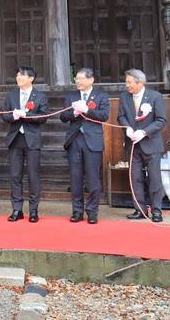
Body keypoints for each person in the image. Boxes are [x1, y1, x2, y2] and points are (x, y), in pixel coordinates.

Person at [59, 67, 110, 224]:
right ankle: (77, 211)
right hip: (75, 139)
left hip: (92, 140)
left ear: (91, 80)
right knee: (75, 178)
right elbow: (63, 117)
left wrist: (87, 109)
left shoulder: (101, 96)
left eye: (81, 79)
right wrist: (74, 113)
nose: (78, 81)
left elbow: (104, 116)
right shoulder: (71, 96)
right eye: (77, 79)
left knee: (93, 178)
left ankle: (92, 211)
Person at [117, 68, 167, 223]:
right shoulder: (124, 97)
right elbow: (121, 117)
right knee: (135, 178)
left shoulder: (155, 96)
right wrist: (127, 128)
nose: (127, 85)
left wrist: (144, 132)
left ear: (140, 83)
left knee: (154, 178)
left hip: (151, 144)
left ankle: (157, 210)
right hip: (133, 144)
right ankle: (140, 209)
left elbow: (161, 120)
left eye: (129, 82)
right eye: (126, 82)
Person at [1, 66, 49, 223]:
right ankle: (17, 209)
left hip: (32, 139)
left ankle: (33, 210)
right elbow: (4, 115)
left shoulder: (40, 96)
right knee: (15, 175)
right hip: (15, 138)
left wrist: (27, 115)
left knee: (33, 175)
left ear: (31, 78)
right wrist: (13, 116)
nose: (18, 78)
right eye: (17, 75)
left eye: (21, 75)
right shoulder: (12, 95)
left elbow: (44, 117)